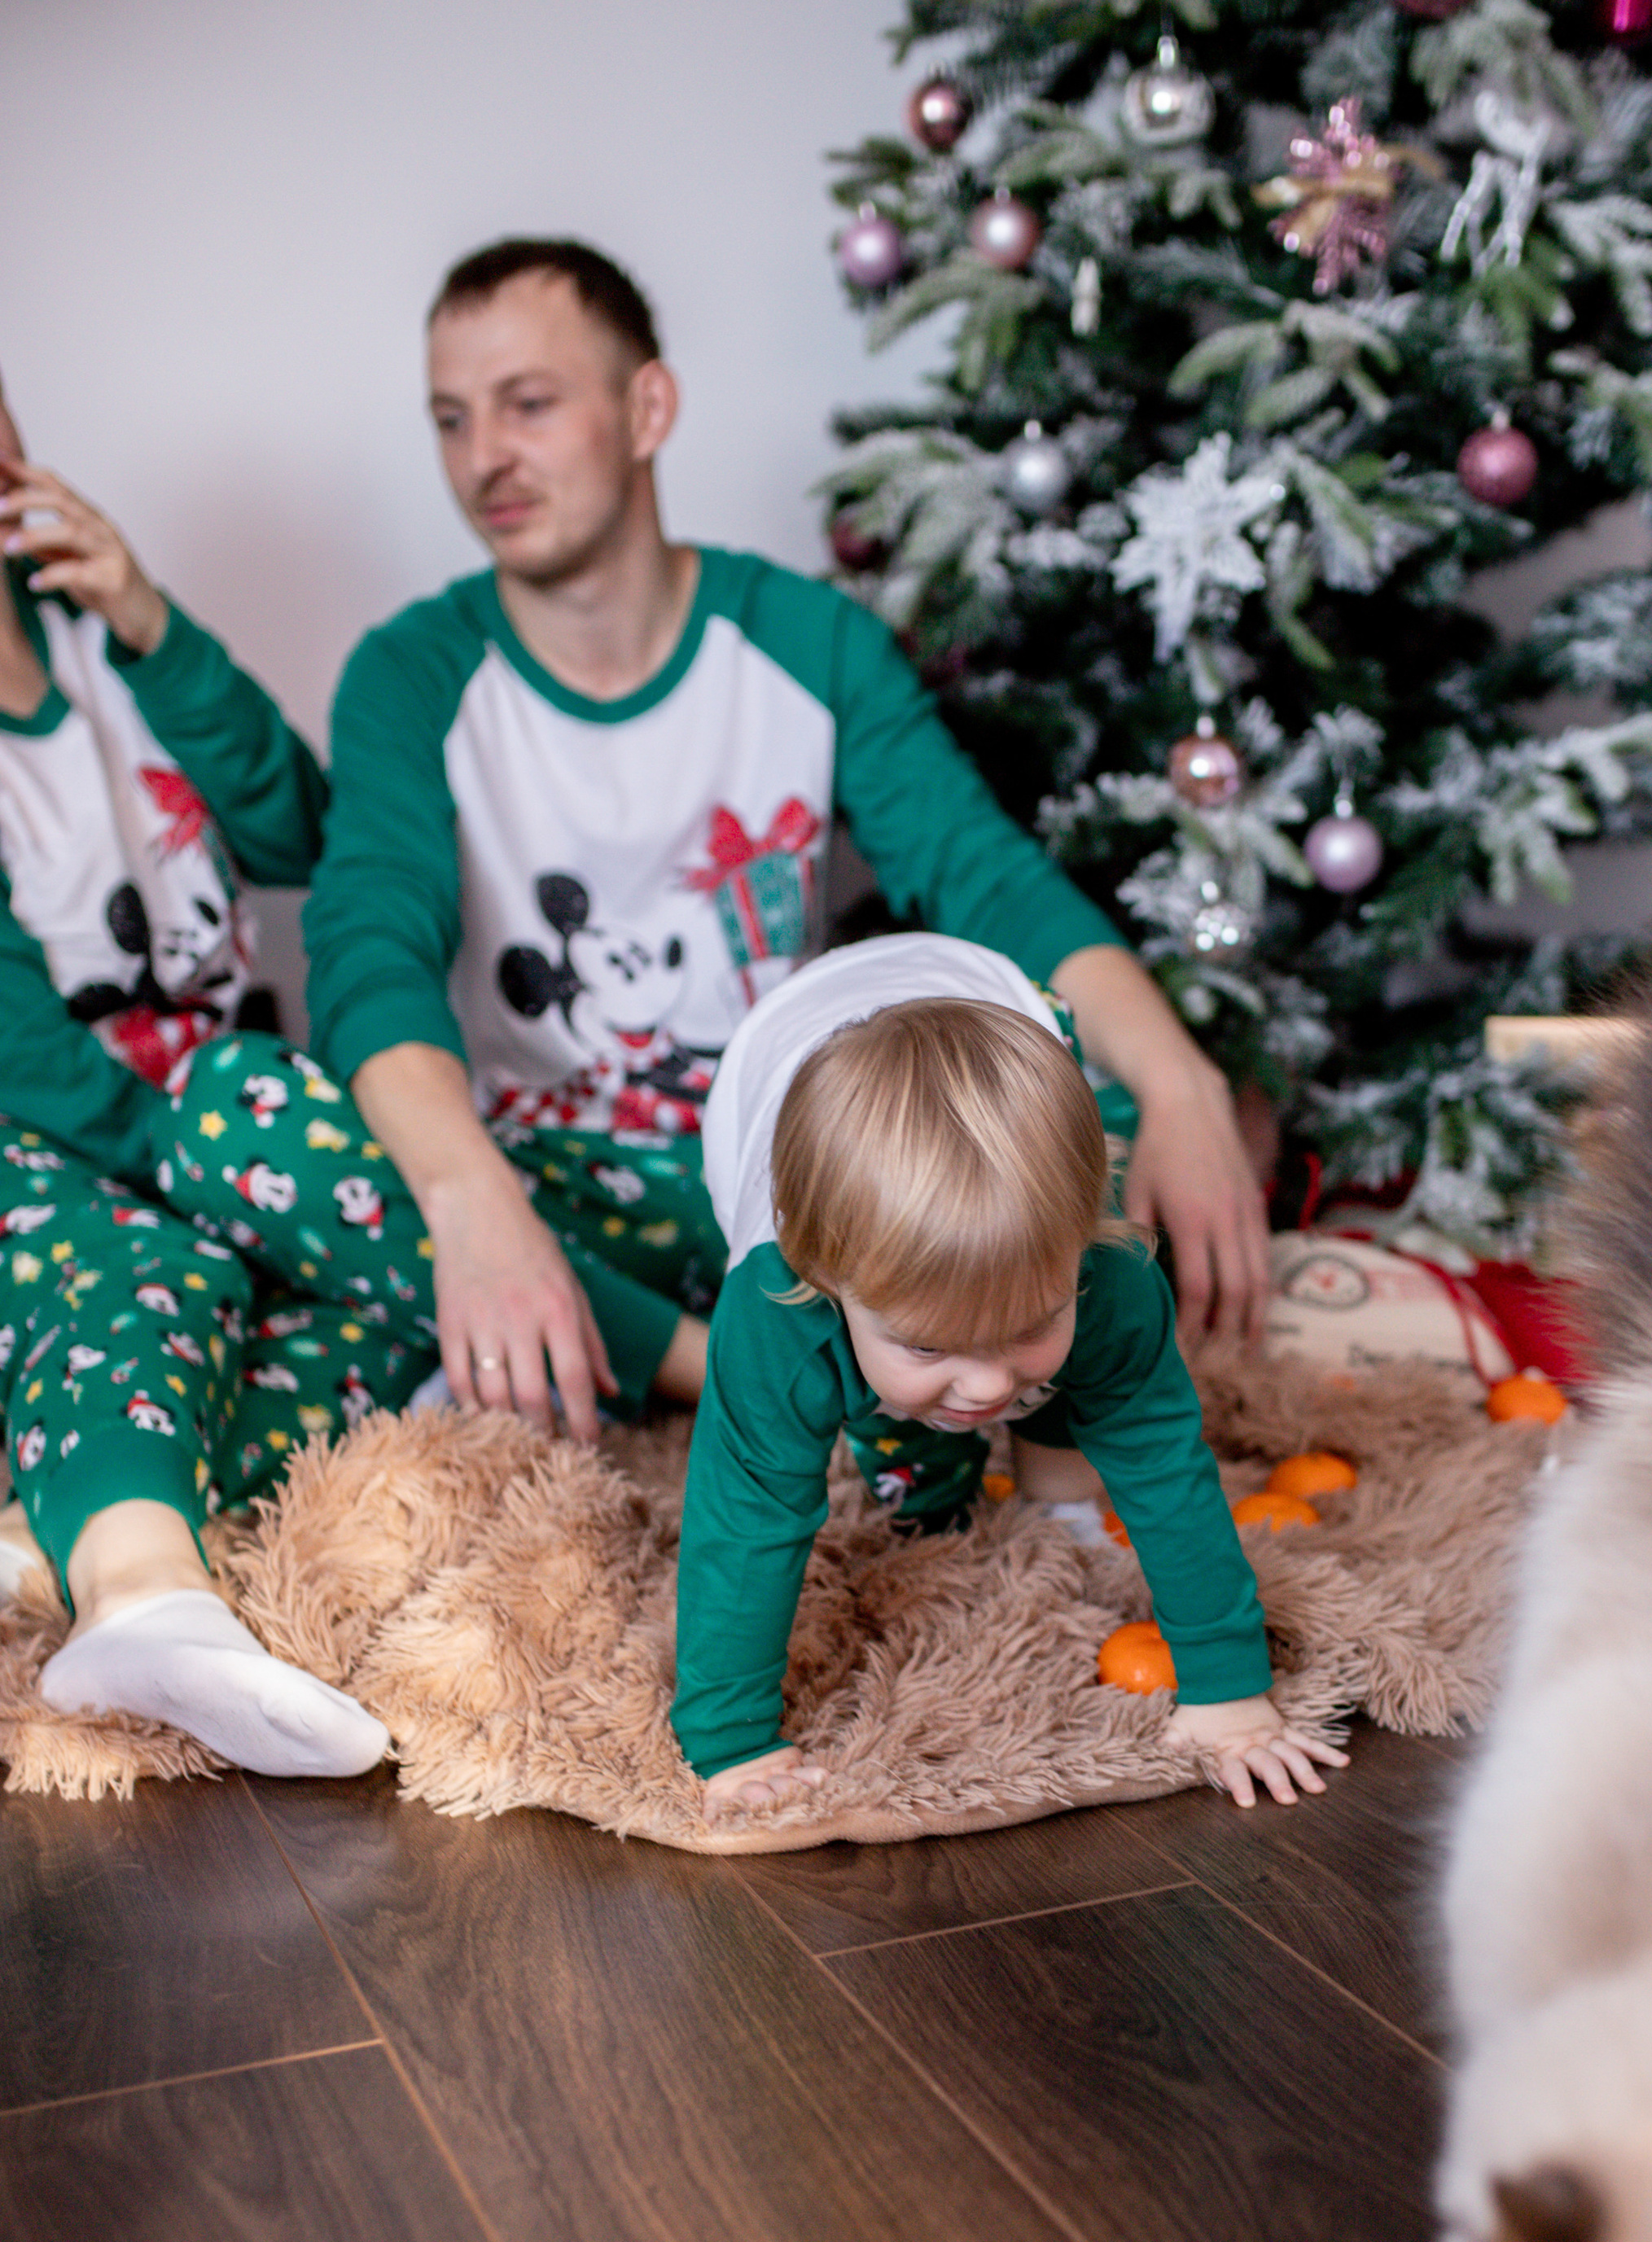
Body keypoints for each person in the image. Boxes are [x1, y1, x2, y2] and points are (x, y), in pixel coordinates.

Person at [292, 237, 1269, 1451]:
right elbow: (366, 953)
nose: (485, 456)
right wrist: (472, 1201)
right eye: (451, 419)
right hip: (551, 1187)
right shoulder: (411, 672)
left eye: (528, 404)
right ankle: (753, 1373)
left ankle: (695, 1352)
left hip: (792, 1175)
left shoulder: (806, 641)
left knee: (1088, 1098)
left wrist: (1182, 1084)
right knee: (248, 1110)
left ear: (647, 407)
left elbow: (983, 877)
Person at [676, 934, 1344, 1814]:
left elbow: (1161, 1459)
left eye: (1029, 1321)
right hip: (774, 1050)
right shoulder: (774, 1307)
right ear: (828, 1284)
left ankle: (1043, 1470)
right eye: (928, 1345)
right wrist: (730, 1743)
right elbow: (745, 1519)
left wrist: (1227, 1689)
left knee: (1085, 1370)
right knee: (910, 1471)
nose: (989, 1389)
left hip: (998, 996)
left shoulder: (1108, 1272)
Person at [0, 370, 405, 1773]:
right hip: (63, 1158)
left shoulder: (108, 657)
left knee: (403, 1316)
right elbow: (31, 1061)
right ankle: (146, 1598)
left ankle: (75, 1506)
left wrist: (149, 621)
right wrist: (193, 1188)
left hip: (221, 1127)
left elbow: (299, 828)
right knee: (140, 1273)